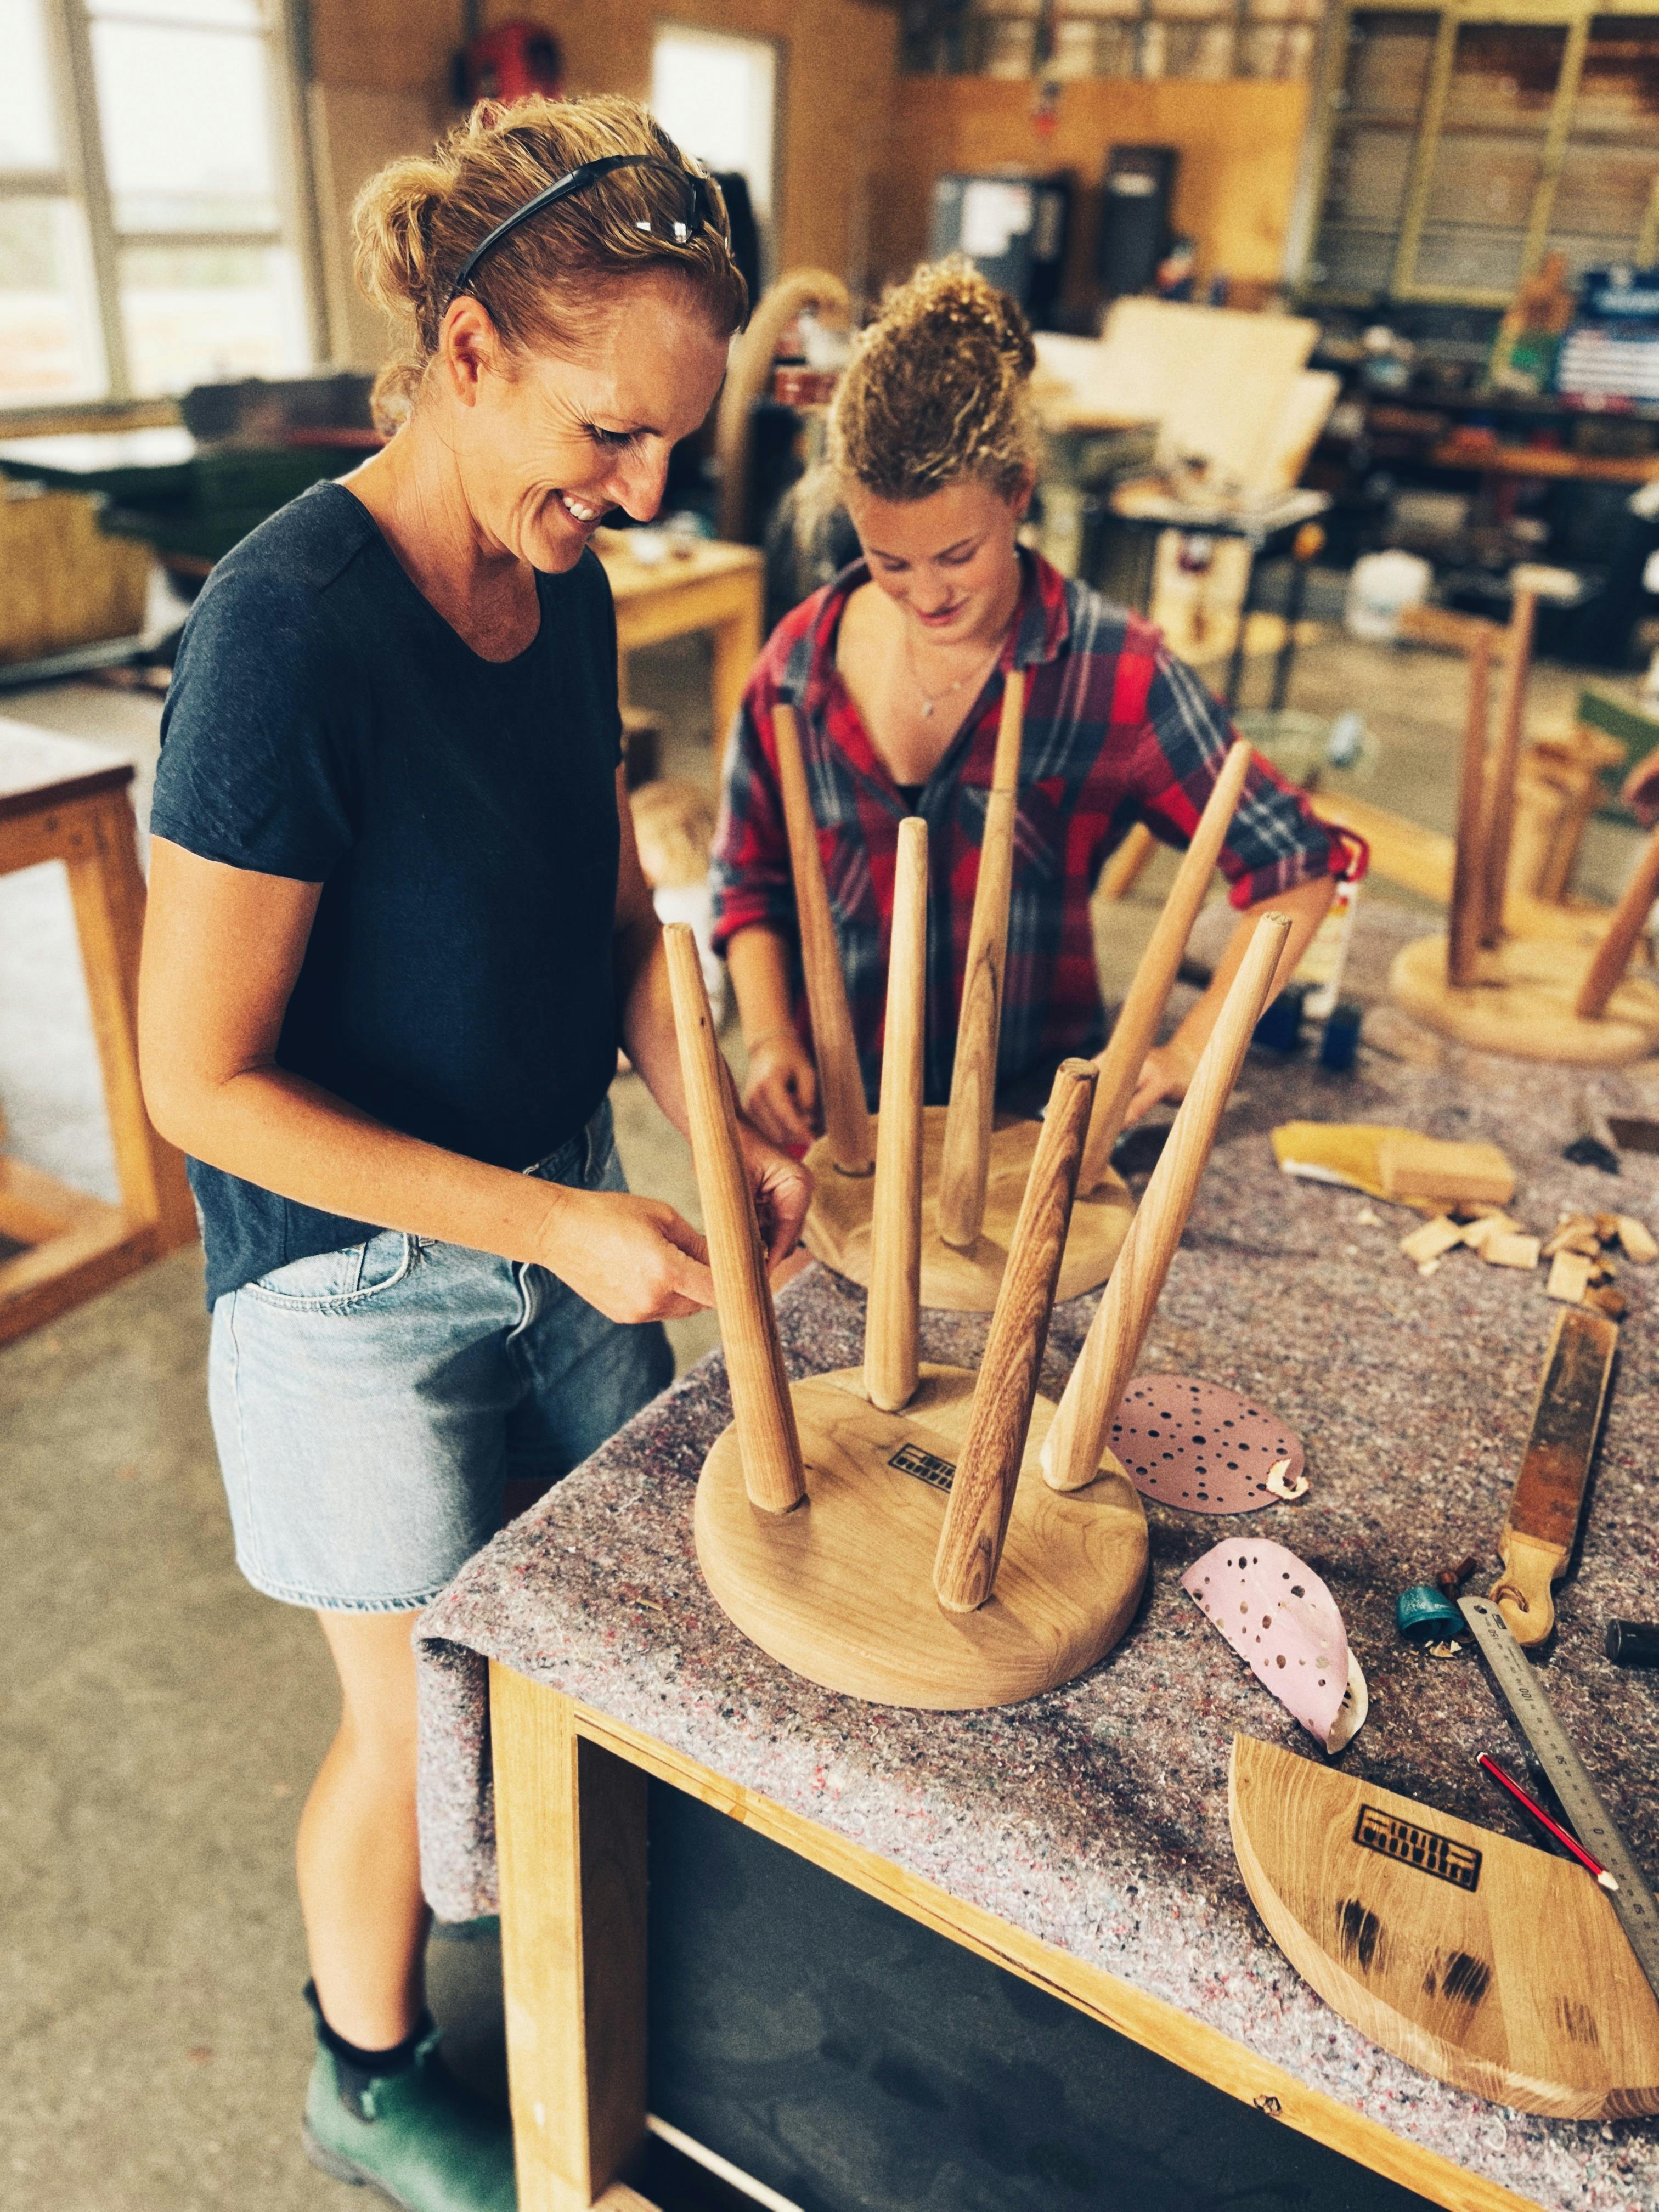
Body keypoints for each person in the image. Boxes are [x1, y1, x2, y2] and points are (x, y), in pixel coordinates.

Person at [138, 96, 808, 2211]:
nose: (644, 491)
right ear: (465, 355)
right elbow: (196, 1084)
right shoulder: (288, 634)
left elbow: (610, 922)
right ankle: (365, 2070)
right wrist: (551, 1223)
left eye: (674, 446)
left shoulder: (563, 582)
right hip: (349, 1284)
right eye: (610, 434)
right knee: (419, 1718)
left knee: (601, 1650)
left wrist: (711, 1102)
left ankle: (592, 1987)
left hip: (562, 1207)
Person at [712, 261, 1341, 1150]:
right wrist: (772, 1037)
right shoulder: (798, 669)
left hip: (1026, 1138)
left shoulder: (1112, 673)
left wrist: (1190, 1051)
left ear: (1018, 491)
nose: (927, 595)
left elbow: (1295, 865)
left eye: (957, 555)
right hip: (843, 1135)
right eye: (891, 562)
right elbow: (749, 880)